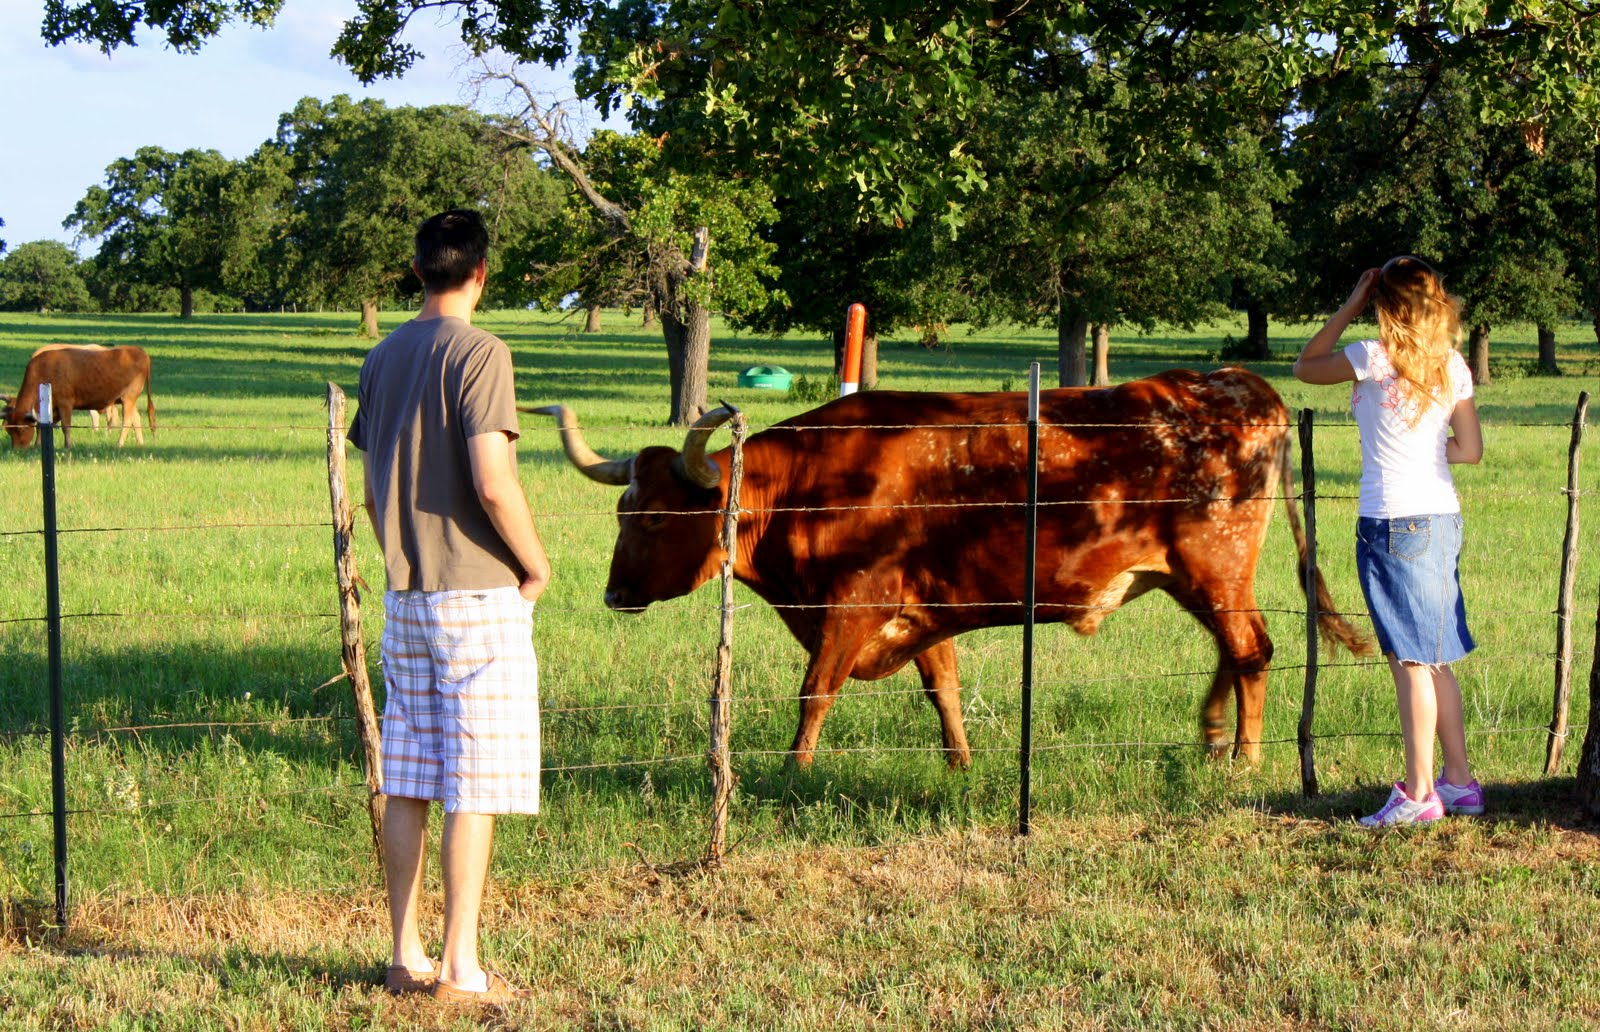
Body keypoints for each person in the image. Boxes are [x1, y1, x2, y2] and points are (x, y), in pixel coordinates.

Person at [348, 208, 551, 1002]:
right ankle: (462, 965)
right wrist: (534, 568)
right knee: (477, 778)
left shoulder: (382, 356)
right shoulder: (481, 352)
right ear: (481, 274)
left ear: (418, 269)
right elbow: (494, 480)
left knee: (409, 773)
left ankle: (405, 953)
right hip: (478, 593)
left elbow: (370, 490)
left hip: (408, 594)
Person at [1293, 255, 1485, 827]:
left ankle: (1421, 794)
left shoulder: (1373, 357)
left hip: (1394, 523)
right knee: (1435, 658)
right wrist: (1428, 451)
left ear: (1384, 303)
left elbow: (1305, 366)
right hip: (1442, 519)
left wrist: (1349, 305)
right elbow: (1469, 450)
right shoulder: (1453, 365)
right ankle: (1459, 783)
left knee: (1411, 661)